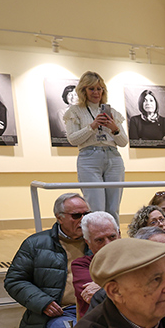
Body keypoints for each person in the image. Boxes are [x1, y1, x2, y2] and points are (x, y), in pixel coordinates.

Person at [5, 193, 90, 328]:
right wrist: (43, 302)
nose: (83, 219)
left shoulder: (97, 241)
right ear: (59, 217)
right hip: (60, 313)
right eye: (76, 215)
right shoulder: (35, 244)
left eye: (87, 214)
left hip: (95, 309)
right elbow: (14, 280)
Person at [63, 71, 128, 221]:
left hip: (113, 157)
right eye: (91, 88)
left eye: (99, 89)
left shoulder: (113, 113)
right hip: (89, 158)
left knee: (113, 208)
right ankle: (96, 241)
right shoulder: (74, 111)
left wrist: (114, 128)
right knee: (96, 207)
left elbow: (123, 142)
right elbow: (73, 139)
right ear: (83, 90)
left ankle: (114, 241)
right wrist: (92, 126)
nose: (96, 92)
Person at [72, 211, 120, 318]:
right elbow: (96, 297)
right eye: (100, 240)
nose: (108, 244)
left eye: (112, 237)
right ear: (88, 243)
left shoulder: (133, 259)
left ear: (119, 235)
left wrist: (102, 285)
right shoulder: (81, 265)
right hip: (97, 327)